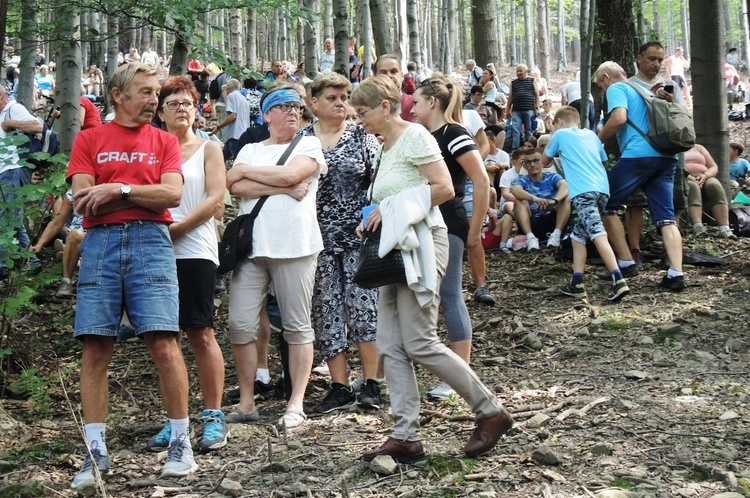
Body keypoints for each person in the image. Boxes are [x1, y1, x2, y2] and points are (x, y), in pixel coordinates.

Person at [351, 75, 513, 463]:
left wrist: (389, 209)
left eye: (363, 113)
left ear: (385, 107)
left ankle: (490, 411)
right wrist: (376, 212)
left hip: (423, 243)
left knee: (419, 340)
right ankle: (405, 436)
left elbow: (443, 188)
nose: (359, 121)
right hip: (393, 249)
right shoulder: (384, 147)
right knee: (390, 344)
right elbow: (393, 197)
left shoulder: (416, 137)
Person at [67, 63, 196, 490]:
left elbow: (172, 193)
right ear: (117, 94)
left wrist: (119, 190)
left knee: (163, 341)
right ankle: (95, 452)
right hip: (100, 243)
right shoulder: (88, 139)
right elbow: (84, 199)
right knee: (95, 346)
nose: (153, 100)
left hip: (151, 241)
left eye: (156, 93)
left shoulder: (163, 140)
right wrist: (134, 192)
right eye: (144, 92)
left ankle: (181, 443)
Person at [225, 87, 327, 430]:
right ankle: (247, 400)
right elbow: (234, 185)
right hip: (252, 249)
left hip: (295, 246)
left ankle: (295, 404)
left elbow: (292, 174)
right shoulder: (250, 148)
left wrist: (257, 176)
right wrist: (283, 188)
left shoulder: (308, 144)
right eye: (283, 107)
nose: (293, 113)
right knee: (240, 324)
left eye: (297, 107)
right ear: (266, 115)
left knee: (297, 325)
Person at [142, 76, 230, 454]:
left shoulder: (209, 148)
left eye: (188, 103)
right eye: (173, 103)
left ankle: (213, 416)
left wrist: (175, 229)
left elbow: (215, 200)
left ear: (198, 109)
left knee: (201, 331)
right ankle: (175, 419)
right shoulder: (151, 149)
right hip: (155, 250)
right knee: (165, 338)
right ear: (159, 112)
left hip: (194, 249)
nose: (182, 108)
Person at [298, 72, 382, 413]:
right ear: (313, 102)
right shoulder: (302, 140)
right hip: (316, 238)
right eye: (331, 97)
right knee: (327, 309)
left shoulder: (363, 135)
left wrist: (373, 217)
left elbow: (379, 180)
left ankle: (372, 382)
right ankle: (339, 384)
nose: (339, 102)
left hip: (359, 236)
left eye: (344, 96)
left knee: (364, 307)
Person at [411, 74, 492, 398]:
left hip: (450, 222)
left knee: (449, 294)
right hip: (423, 222)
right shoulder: (421, 135)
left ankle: (461, 376)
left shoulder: (454, 133)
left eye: (416, 102)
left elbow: (481, 179)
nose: (412, 108)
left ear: (432, 102)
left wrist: (475, 230)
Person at [593, 57, 686, 291]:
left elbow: (619, 119)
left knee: (605, 204)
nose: (603, 91)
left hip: (638, 157)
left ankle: (626, 262)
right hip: (666, 157)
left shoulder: (617, 87)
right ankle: (676, 273)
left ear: (606, 78)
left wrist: (596, 141)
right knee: (666, 217)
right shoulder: (645, 88)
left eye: (600, 86)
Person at [542, 106, 630, 301]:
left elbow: (544, 161)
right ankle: (577, 281)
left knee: (597, 232)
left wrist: (552, 135)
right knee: (578, 235)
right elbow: (604, 161)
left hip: (582, 191)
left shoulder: (560, 134)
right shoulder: (592, 136)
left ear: (559, 122)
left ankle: (618, 279)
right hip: (602, 190)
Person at [0, 86, 43, 279]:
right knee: (13, 219)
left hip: (14, 169)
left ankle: (3, 266)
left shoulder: (13, 108)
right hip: (5, 171)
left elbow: (38, 126)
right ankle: (31, 262)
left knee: (6, 218)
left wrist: (11, 122)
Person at [511, 149, 570, 250]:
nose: (533, 164)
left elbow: (565, 187)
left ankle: (556, 234)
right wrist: (535, 199)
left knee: (565, 198)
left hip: (553, 217)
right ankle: (530, 238)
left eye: (536, 160)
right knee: (518, 201)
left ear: (542, 162)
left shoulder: (553, 177)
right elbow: (516, 191)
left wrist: (554, 201)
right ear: (524, 165)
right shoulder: (521, 180)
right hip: (532, 221)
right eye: (528, 162)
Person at [30, 190, 84, 297]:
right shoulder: (73, 193)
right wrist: (39, 244)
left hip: (104, 234)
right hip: (77, 234)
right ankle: (66, 281)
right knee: (75, 235)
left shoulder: (110, 188)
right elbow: (57, 222)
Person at [683, 144, 735, 239]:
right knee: (692, 187)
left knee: (714, 185)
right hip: (685, 177)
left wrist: (705, 176)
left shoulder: (698, 148)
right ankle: (698, 227)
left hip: (703, 176)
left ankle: (725, 229)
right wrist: (688, 176)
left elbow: (713, 166)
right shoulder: (673, 147)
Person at [210, 78, 250, 160]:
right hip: (243, 133)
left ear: (229, 87)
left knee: (238, 160)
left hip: (235, 134)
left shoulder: (232, 96)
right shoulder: (244, 99)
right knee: (222, 157)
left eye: (226, 88)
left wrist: (218, 126)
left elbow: (233, 116)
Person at [507, 64, 540, 150]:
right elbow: (510, 97)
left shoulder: (531, 80)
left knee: (529, 130)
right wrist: (507, 110)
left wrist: (537, 108)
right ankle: (515, 150)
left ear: (526, 71)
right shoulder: (513, 83)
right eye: (517, 71)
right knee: (516, 131)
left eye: (520, 71)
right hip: (516, 110)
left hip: (529, 109)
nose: (518, 73)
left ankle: (529, 149)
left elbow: (537, 95)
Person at [375, 54, 415, 122]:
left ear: (402, 76)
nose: (389, 75)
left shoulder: (414, 103)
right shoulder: (368, 107)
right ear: (375, 77)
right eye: (383, 73)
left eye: (393, 72)